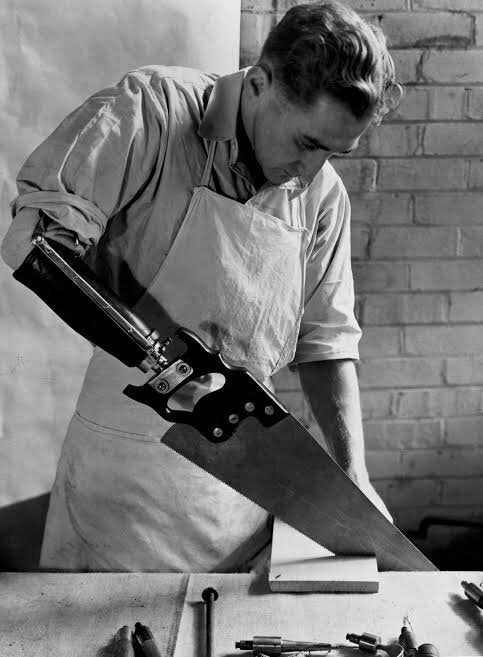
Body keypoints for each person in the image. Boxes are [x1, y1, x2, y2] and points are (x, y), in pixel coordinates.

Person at [2, 1, 401, 572]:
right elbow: (38, 246)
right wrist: (165, 362)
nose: (311, 173)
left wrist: (352, 476)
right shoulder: (152, 112)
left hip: (240, 496)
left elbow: (326, 343)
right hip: (122, 494)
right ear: (260, 83)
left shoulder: (322, 196)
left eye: (337, 153)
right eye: (309, 144)